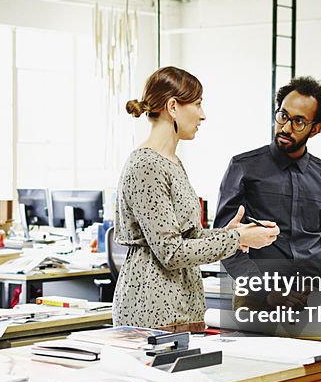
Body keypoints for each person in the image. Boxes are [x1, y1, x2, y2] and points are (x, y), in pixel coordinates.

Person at [113, 66, 279, 328]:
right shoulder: (146, 165)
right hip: (153, 312)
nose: (203, 115)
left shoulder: (171, 162)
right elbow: (171, 252)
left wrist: (230, 235)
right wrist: (237, 239)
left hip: (182, 308)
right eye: (198, 104)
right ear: (173, 107)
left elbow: (187, 238)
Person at [215, 76, 321, 309]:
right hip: (256, 303)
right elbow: (225, 242)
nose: (286, 128)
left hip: (313, 303)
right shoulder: (243, 167)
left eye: (299, 121)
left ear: (316, 129)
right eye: (283, 116)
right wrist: (266, 291)